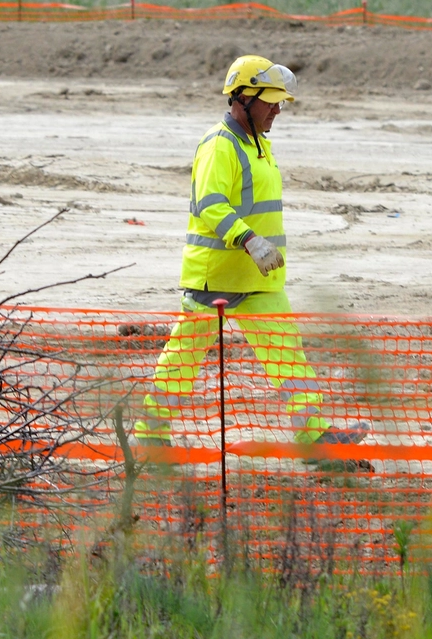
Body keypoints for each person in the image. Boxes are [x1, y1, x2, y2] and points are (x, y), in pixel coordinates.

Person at [134, 55, 370, 468]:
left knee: (288, 357)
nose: (278, 109)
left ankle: (314, 438)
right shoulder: (219, 144)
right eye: (271, 101)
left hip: (260, 279)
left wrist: (259, 250)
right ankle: (150, 439)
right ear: (243, 98)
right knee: (183, 360)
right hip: (217, 278)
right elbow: (209, 203)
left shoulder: (259, 144)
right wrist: (247, 239)